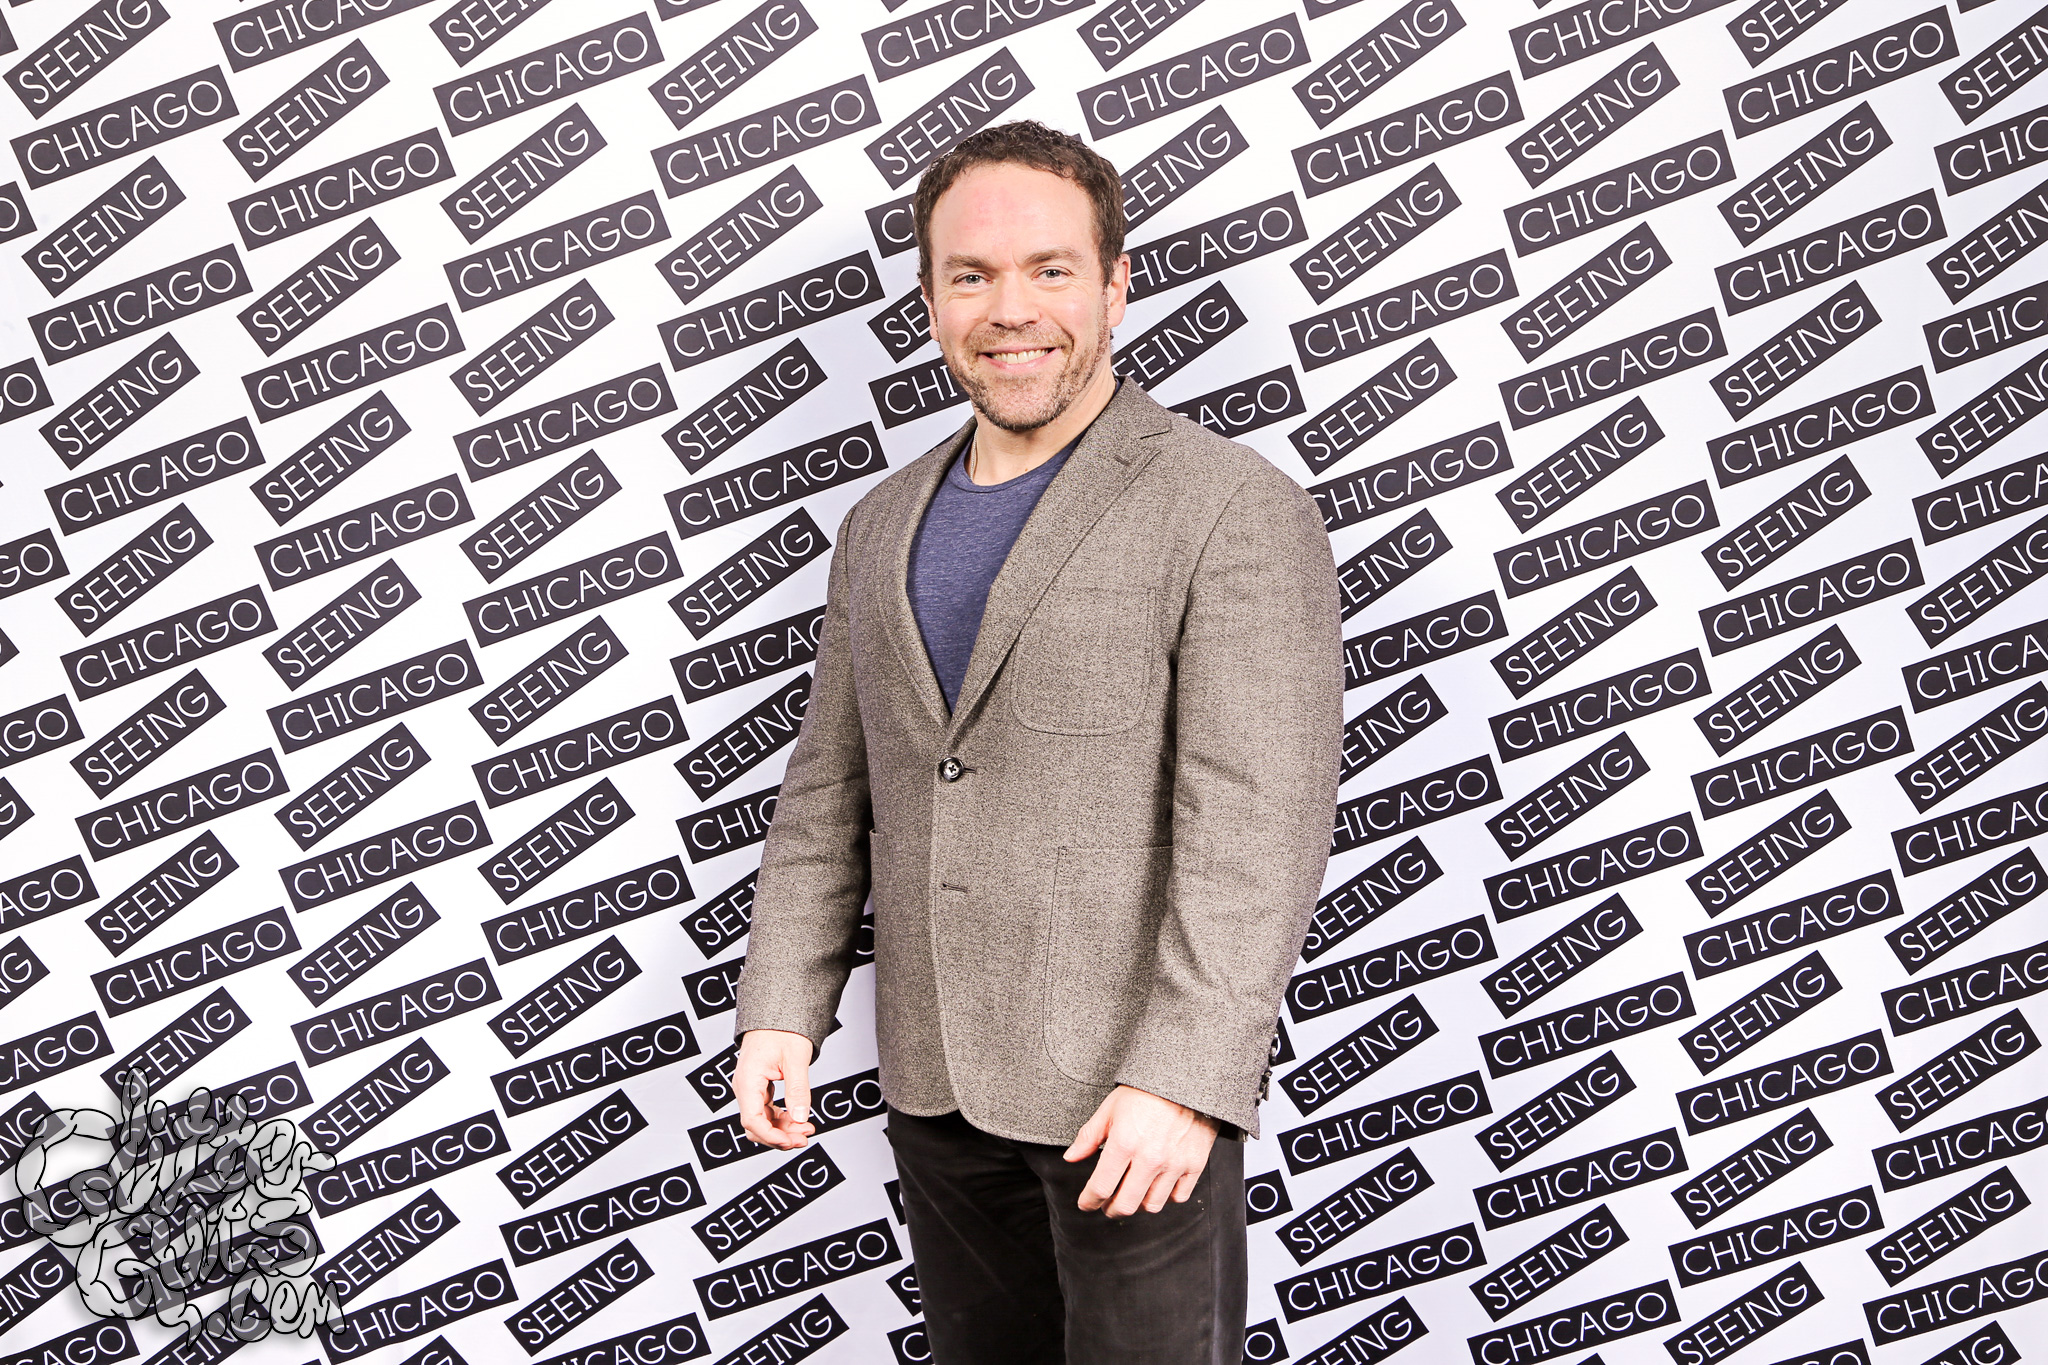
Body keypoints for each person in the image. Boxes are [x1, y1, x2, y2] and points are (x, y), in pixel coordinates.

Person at [730, 119, 1342, 1364]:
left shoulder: (1230, 508)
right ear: (930, 299)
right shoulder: (878, 523)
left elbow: (1255, 829)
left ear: (1114, 285)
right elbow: (830, 787)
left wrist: (1185, 1079)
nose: (1009, 310)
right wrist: (782, 1005)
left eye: (1050, 270)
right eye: (971, 275)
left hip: (1128, 1104)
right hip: (937, 1089)